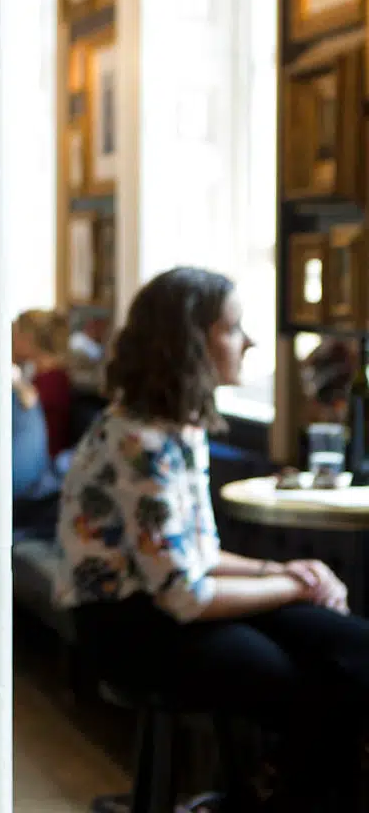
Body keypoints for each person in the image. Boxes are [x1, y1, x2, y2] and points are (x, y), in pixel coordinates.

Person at [54, 267, 369, 812]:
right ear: (191, 342)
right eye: (233, 329)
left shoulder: (181, 427)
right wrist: (294, 587)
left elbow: (196, 555)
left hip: (169, 602)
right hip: (128, 625)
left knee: (351, 643)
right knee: (313, 682)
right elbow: (185, 593)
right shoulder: (139, 441)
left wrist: (285, 573)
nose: (248, 341)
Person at [12, 309, 73, 458]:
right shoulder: (41, 375)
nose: (11, 340)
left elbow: (27, 403)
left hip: (43, 462)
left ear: (29, 339)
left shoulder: (52, 380)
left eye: (15, 334)